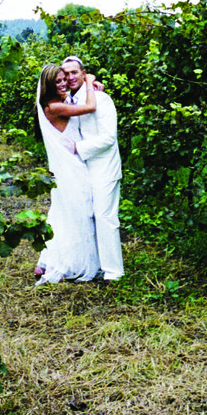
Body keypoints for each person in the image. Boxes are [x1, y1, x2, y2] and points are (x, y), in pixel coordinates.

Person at [32, 63, 101, 284]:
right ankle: (68, 262)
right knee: (76, 212)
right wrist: (89, 82)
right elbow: (90, 107)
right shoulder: (54, 107)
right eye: (58, 81)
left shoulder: (59, 102)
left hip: (70, 165)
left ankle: (46, 261)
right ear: (48, 86)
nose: (63, 84)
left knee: (64, 212)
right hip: (70, 168)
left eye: (64, 79)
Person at [61, 56, 123, 281]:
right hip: (82, 169)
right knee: (88, 217)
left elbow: (108, 137)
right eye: (65, 74)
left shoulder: (101, 98)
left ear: (84, 73)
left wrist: (78, 148)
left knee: (105, 218)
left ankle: (113, 273)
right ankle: (95, 266)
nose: (69, 77)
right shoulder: (68, 99)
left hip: (104, 167)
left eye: (74, 72)